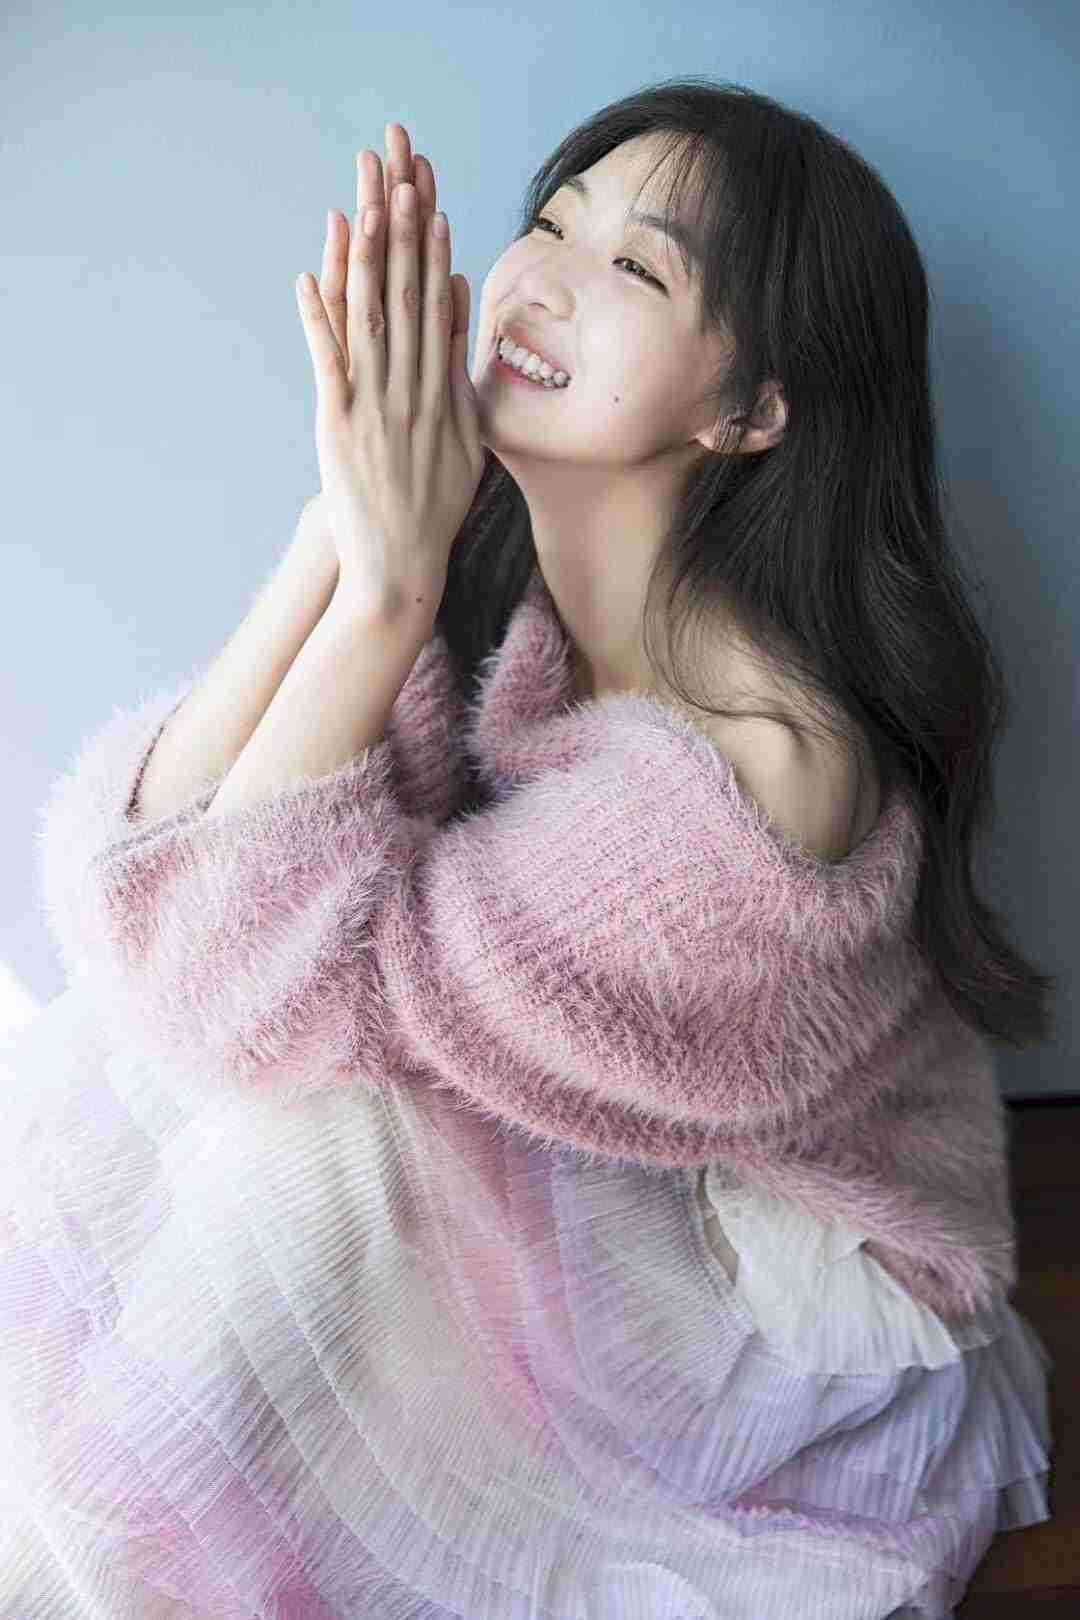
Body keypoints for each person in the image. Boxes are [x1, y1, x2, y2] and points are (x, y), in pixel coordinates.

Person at [0, 80, 1055, 1619]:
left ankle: (96, 1541)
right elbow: (137, 903)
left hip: (779, 1293)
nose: (543, 280)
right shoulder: (513, 602)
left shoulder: (757, 786)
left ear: (749, 412)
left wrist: (381, 590)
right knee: (151, 1072)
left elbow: (237, 999)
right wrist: (349, 527)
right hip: (577, 1132)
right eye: (551, 225)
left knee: (315, 1142)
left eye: (634, 268)